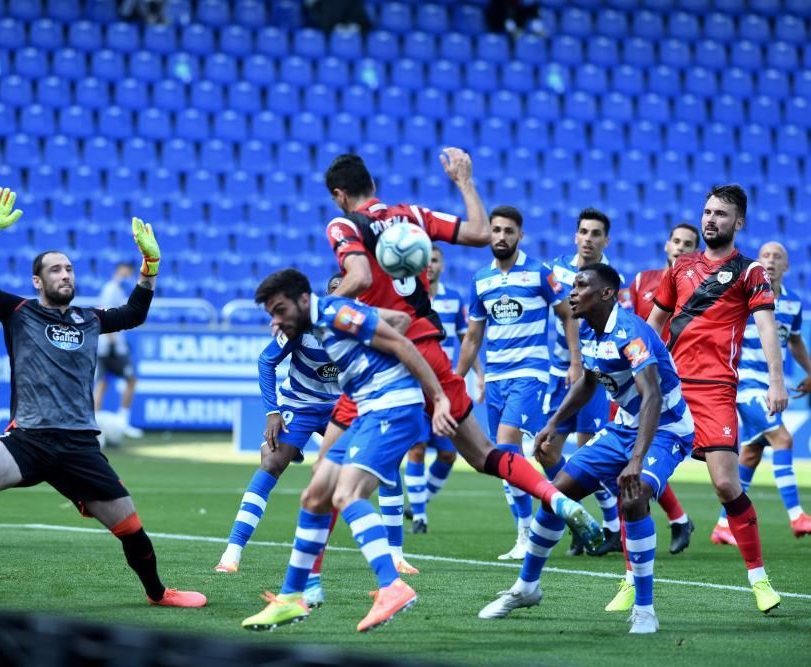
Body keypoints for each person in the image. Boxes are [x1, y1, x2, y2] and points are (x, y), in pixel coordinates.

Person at [0, 188, 205, 609]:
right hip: (28, 439)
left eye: (69, 269)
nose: (66, 275)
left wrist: (150, 267)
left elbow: (135, 312)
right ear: (37, 280)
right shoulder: (19, 311)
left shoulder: (90, 319)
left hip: (80, 445)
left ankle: (158, 593)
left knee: (131, 527)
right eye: (56, 270)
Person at [323, 150, 602, 561]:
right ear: (375, 186)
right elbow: (477, 233)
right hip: (429, 349)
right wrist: (464, 182)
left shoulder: (345, 223)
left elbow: (361, 277)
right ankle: (556, 498)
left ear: (339, 195)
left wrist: (321, 310)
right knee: (485, 453)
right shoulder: (411, 216)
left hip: (382, 359)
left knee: (329, 469)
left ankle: (310, 581)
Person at [479, 263, 694, 634]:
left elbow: (653, 395)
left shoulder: (630, 332)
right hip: (624, 427)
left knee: (634, 495)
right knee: (554, 494)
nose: (572, 293)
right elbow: (587, 382)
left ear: (607, 293)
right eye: (572, 286)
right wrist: (551, 423)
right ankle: (526, 587)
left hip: (666, 429)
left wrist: (636, 460)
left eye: (581, 286)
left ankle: (645, 610)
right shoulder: (592, 331)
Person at [240, 268, 459, 633]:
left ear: (304, 300)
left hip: (393, 407)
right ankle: (294, 597)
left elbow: (403, 342)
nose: (276, 322)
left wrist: (437, 398)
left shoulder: (336, 314)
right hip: (366, 409)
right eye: (272, 315)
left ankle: (393, 586)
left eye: (281, 311)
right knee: (315, 495)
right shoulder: (324, 318)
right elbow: (401, 319)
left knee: (346, 492)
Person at [646, 184, 785, 613]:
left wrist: (777, 381)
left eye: (721, 214)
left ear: (738, 222)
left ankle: (759, 581)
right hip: (670, 391)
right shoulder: (680, 267)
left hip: (715, 392)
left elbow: (765, 329)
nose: (711, 220)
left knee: (726, 484)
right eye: (707, 212)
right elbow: (654, 325)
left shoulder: (750, 273)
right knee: (636, 487)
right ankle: (632, 583)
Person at [456, 206, 581, 560]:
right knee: (542, 452)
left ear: (520, 235)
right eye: (495, 230)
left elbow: (567, 314)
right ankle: (572, 507)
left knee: (506, 446)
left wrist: (575, 360)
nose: (501, 236)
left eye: (508, 231)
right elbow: (472, 338)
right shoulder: (481, 279)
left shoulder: (540, 274)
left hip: (529, 373)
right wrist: (455, 379)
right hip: (495, 376)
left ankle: (527, 533)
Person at [214, 274, 344, 575]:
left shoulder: (359, 324)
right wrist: (272, 411)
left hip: (341, 406)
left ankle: (395, 554)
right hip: (299, 404)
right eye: (335, 291)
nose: (341, 296)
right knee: (272, 462)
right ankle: (232, 552)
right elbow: (266, 360)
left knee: (362, 470)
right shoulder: (302, 325)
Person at [541, 208, 632, 556]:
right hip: (557, 371)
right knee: (547, 449)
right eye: (584, 232)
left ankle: (608, 528)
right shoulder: (554, 271)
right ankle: (578, 521)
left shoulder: (612, 280)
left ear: (605, 240)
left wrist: (585, 363)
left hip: (593, 375)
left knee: (589, 453)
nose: (589, 238)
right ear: (575, 236)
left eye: (596, 233)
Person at [711, 241, 811, 544]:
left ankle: (723, 526)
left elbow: (794, 341)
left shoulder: (793, 303)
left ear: (786, 266)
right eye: (765, 255)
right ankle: (797, 515)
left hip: (770, 385)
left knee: (752, 454)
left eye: (777, 256)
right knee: (783, 438)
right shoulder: (744, 295)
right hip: (744, 385)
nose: (769, 260)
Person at [628, 223, 701, 554]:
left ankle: (721, 521)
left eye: (689, 244)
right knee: (633, 453)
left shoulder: (703, 286)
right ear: (666, 244)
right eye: (676, 241)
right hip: (642, 378)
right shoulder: (642, 281)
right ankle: (676, 519)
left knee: (650, 453)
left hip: (682, 378)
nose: (681, 247)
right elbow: (633, 328)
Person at [403, 244, 477, 535]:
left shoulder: (452, 299)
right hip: (415, 385)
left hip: (443, 385)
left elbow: (467, 338)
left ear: (441, 266)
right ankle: (420, 516)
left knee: (448, 455)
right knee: (417, 448)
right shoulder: (408, 299)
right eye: (426, 261)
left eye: (434, 260)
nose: (430, 265)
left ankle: (420, 501)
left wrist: (478, 375)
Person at [95, 261, 143, 440]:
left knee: (103, 383)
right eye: (124, 272)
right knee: (127, 380)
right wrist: (112, 341)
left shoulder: (119, 290)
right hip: (111, 346)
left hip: (107, 346)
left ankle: (110, 422)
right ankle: (119, 421)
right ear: (118, 271)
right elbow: (105, 314)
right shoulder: (111, 289)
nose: (127, 275)